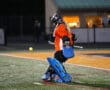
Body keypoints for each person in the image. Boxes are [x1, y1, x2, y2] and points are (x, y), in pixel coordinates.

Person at [42, 13, 77, 82]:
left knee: (56, 63)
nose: (53, 24)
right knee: (57, 63)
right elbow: (73, 37)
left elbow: (64, 36)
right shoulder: (64, 27)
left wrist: (66, 42)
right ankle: (52, 75)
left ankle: (49, 75)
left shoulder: (60, 27)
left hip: (61, 50)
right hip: (64, 50)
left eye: (53, 22)